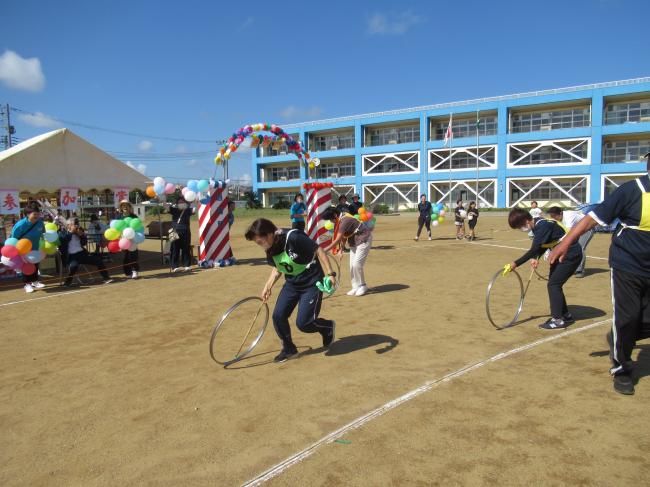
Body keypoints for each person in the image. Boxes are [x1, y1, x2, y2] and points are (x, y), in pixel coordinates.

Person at [549, 152, 650, 395]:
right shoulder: (631, 190)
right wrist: (564, 243)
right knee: (627, 318)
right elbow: (591, 219)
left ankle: (622, 335)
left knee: (643, 322)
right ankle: (622, 368)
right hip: (628, 265)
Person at [245, 218, 336, 363]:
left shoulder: (293, 237)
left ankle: (327, 327)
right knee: (278, 316)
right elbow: (279, 266)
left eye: (260, 242)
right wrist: (268, 284)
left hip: (312, 283)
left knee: (304, 324)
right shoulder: (269, 248)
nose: (260, 245)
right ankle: (289, 349)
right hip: (292, 284)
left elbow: (318, 250)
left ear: (269, 234)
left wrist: (330, 274)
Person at [505, 208, 582, 330]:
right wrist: (536, 257)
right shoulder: (539, 223)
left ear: (526, 220)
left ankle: (557, 320)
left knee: (553, 285)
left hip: (569, 254)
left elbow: (534, 249)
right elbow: (543, 244)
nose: (521, 229)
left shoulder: (542, 226)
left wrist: (515, 264)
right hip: (559, 254)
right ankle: (565, 314)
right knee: (554, 284)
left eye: (520, 226)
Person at [322, 207, 373, 296]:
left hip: (364, 239)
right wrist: (341, 250)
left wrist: (324, 250)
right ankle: (355, 286)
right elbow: (344, 236)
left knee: (357, 264)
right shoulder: (340, 220)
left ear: (335, 215)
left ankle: (363, 285)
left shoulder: (344, 221)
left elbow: (337, 239)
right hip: (354, 241)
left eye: (330, 219)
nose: (330, 221)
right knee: (351, 266)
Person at [59, 219, 112, 286]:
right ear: (68, 225)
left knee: (98, 260)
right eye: (74, 224)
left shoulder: (78, 231)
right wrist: (71, 232)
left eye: (76, 224)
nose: (76, 226)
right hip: (72, 256)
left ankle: (106, 278)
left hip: (82, 253)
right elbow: (63, 241)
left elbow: (84, 243)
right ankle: (67, 282)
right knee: (73, 266)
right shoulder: (63, 233)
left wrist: (81, 235)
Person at [547, 206, 594, 278]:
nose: (553, 218)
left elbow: (568, 234)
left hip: (587, 229)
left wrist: (557, 245)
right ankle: (572, 267)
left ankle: (580, 270)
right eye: (551, 216)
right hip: (576, 229)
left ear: (560, 213)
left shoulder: (569, 217)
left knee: (580, 247)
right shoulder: (558, 219)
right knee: (570, 248)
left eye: (554, 216)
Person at [10, 201, 45, 293]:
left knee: (35, 265)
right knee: (26, 267)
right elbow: (13, 239)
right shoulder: (20, 225)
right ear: (27, 214)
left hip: (35, 248)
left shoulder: (40, 223)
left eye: (38, 214)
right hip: (23, 250)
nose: (36, 216)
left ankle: (34, 281)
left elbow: (43, 234)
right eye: (34, 214)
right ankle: (27, 284)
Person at [168, 198, 194, 272]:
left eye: (182, 202)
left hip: (186, 232)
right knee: (174, 249)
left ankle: (187, 265)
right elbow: (166, 207)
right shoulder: (174, 210)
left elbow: (194, 209)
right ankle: (174, 266)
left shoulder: (188, 210)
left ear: (185, 203)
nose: (181, 203)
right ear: (177, 204)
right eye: (179, 202)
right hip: (173, 232)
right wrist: (162, 199)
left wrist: (194, 201)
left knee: (186, 248)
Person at [118, 200, 140, 279]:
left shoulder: (134, 216)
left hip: (132, 238)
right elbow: (116, 228)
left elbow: (138, 226)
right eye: (123, 205)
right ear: (120, 207)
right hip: (123, 239)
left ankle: (135, 270)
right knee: (125, 256)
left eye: (126, 205)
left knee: (133, 255)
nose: (124, 207)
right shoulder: (119, 217)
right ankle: (127, 272)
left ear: (129, 207)